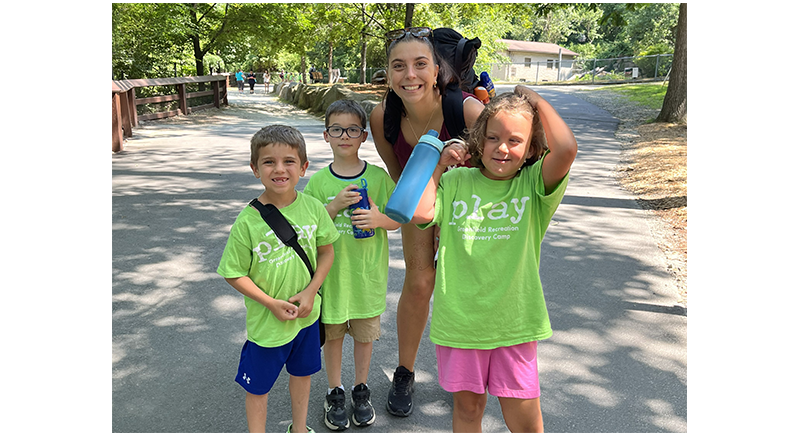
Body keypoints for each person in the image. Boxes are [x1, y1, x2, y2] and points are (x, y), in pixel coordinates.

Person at [409, 88, 578, 432]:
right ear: (477, 141)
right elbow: (420, 212)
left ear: (532, 148)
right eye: (493, 138)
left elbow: (566, 149)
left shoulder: (533, 186)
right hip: (460, 322)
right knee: (468, 410)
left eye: (516, 140)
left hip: (513, 323)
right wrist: (440, 166)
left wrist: (534, 100)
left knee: (525, 422)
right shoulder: (456, 181)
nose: (502, 148)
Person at [368, 26, 485, 417]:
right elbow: (398, 175)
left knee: (464, 285)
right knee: (419, 283)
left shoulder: (466, 110)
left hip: (469, 208)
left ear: (438, 70)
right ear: (387, 73)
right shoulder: (382, 116)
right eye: (398, 66)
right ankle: (405, 371)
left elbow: (504, 168)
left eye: (420, 64)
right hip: (419, 201)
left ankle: (470, 372)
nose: (410, 75)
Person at [217, 125, 340, 433]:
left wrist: (312, 291)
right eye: (269, 161)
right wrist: (270, 303)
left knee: (303, 375)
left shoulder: (313, 208)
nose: (279, 169)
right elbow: (233, 272)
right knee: (257, 388)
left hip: (306, 317)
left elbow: (326, 252)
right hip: (267, 325)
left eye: (289, 161)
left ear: (304, 167)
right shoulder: (248, 222)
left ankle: (299, 429)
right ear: (254, 168)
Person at [304, 99, 401, 430]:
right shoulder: (318, 183)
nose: (344, 135)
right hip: (331, 279)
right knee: (333, 337)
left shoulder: (377, 177)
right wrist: (332, 207)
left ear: (363, 136)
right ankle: (335, 390)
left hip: (366, 278)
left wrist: (377, 217)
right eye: (336, 129)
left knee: (364, 337)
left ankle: (361, 389)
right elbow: (309, 230)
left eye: (353, 130)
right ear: (326, 135)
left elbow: (397, 220)